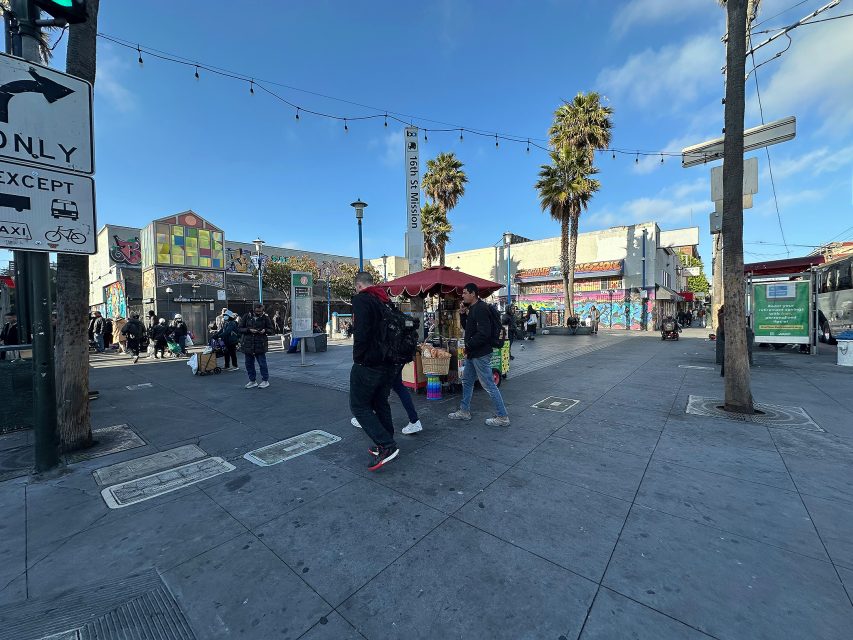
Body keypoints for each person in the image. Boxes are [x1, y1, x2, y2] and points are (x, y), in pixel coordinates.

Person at [350, 271, 399, 470]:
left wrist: (358, 357)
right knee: (380, 402)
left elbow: (362, 331)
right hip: (389, 362)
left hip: (370, 362)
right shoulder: (384, 300)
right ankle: (386, 441)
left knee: (359, 406)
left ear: (359, 286)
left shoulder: (362, 300)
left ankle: (386, 445)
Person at [449, 283, 510, 427]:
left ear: (473, 294)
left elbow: (484, 333)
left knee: (488, 384)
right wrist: (463, 314)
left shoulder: (481, 309)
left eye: (464, 293)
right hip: (473, 353)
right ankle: (464, 411)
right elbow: (468, 329)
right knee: (467, 381)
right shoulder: (473, 308)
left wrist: (469, 345)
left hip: (480, 354)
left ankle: (502, 416)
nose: (462, 295)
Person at [239, 304, 273, 388]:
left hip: (260, 344)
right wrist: (249, 330)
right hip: (248, 344)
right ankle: (252, 381)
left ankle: (265, 380)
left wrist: (265, 330)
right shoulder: (246, 316)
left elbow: (271, 330)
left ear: (263, 310)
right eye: (257, 311)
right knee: (249, 364)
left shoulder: (265, 317)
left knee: (262, 363)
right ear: (253, 309)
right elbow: (239, 328)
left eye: (260, 311)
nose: (258, 313)